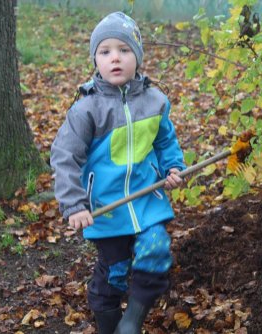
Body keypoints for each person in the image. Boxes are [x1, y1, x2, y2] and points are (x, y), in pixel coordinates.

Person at [50, 11, 186, 334]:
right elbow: (64, 156)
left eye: (124, 51)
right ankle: (109, 325)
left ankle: (131, 323)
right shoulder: (87, 109)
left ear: (137, 58)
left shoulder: (155, 101)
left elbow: (166, 140)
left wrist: (174, 167)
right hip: (106, 209)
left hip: (146, 200)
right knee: (114, 274)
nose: (115, 58)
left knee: (155, 250)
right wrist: (74, 204)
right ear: (95, 59)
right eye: (105, 51)